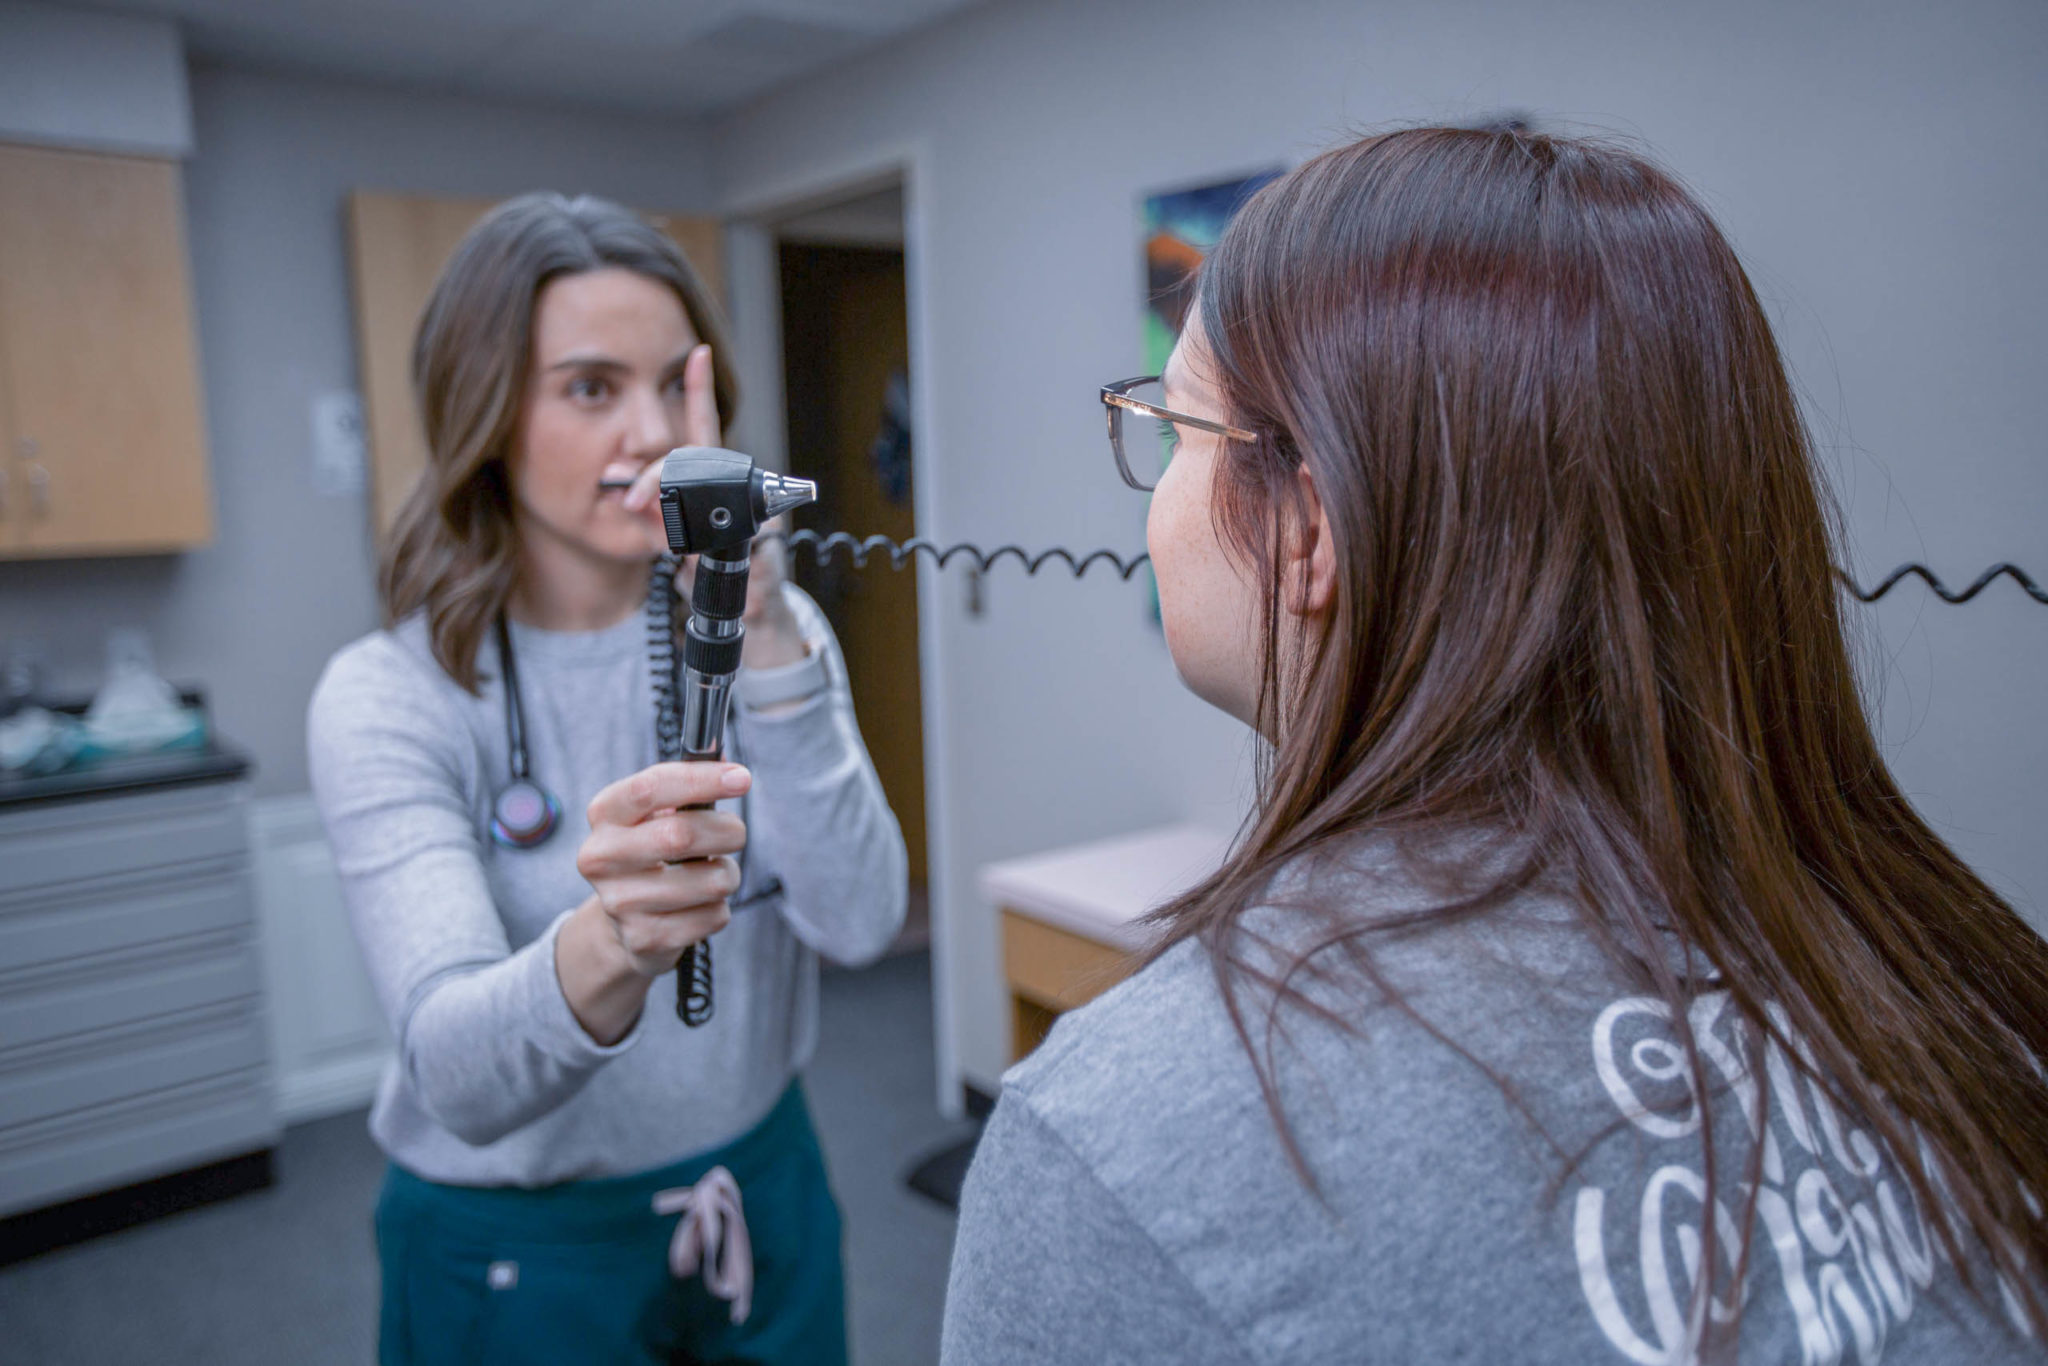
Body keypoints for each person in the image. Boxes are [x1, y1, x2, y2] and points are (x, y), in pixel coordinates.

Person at [942, 125, 2048, 1363]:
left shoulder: (1124, 1139)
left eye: (1169, 430)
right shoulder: (1941, 971)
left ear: (1307, 523)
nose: (1154, 493)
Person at [308, 192, 906, 1366]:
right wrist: (618, 940)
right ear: (484, 416)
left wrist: (768, 629)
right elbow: (455, 1075)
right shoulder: (392, 695)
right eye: (590, 388)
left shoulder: (775, 640)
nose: (648, 433)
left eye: (674, 387)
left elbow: (864, 918)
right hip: (519, 1251)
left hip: (760, 1187)